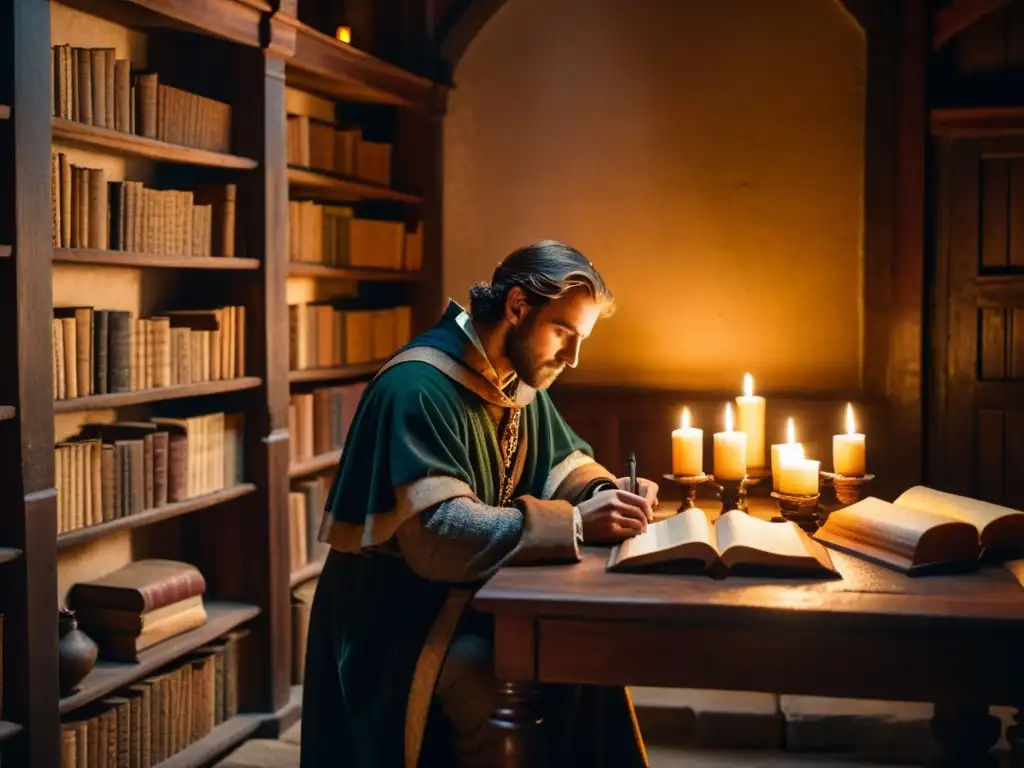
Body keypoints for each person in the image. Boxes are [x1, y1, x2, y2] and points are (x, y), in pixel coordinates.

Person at [300, 240, 659, 768]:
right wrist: (577, 523)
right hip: (397, 618)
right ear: (517, 306)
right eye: (563, 332)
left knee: (584, 666)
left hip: (474, 596)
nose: (572, 356)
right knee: (494, 685)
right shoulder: (416, 387)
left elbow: (563, 464)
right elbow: (440, 533)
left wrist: (606, 493)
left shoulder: (514, 379)